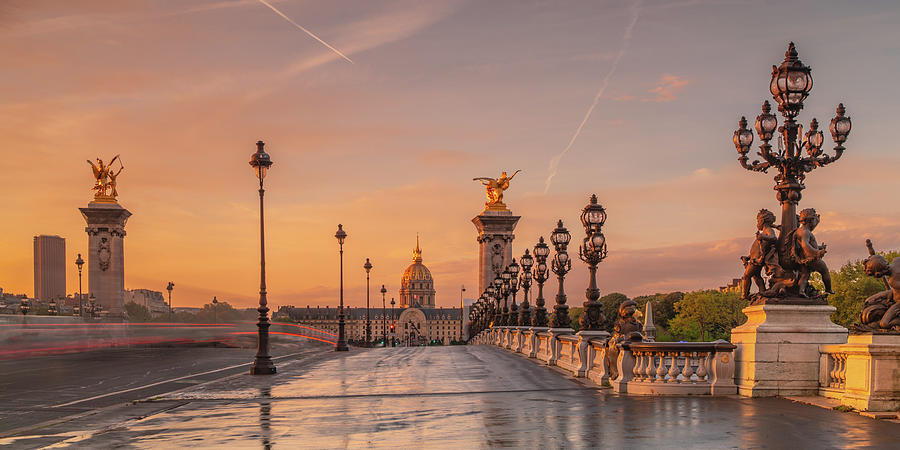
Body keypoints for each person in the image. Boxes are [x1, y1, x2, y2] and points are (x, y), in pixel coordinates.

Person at [793, 208, 833, 296]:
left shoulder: (800, 231)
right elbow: (805, 245)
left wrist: (819, 247)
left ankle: (801, 291)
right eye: (815, 220)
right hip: (811, 257)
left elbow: (808, 244)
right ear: (811, 221)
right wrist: (817, 252)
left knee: (805, 275)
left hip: (803, 258)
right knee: (824, 270)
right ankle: (828, 288)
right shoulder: (805, 232)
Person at [740, 209, 779, 299]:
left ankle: (745, 295)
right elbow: (756, 250)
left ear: (762, 221)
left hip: (757, 260)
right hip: (754, 258)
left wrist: (762, 236)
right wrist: (748, 257)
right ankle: (762, 291)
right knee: (756, 276)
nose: (757, 223)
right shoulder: (764, 232)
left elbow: (773, 238)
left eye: (758, 221)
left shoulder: (768, 231)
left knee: (746, 276)